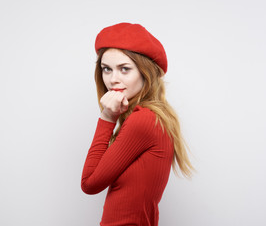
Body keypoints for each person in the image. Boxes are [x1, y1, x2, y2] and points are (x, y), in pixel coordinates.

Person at [81, 22, 194, 226]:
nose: (113, 79)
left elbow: (89, 184)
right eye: (106, 69)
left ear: (145, 72)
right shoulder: (154, 116)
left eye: (124, 69)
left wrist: (107, 118)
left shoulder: (143, 120)